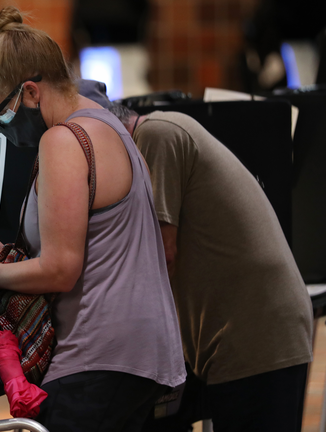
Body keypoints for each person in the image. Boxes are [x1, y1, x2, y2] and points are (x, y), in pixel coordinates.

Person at [0, 7, 187, 432]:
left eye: (0, 114)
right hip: (140, 356)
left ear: (31, 92)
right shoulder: (106, 121)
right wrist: (10, 255)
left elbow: (60, 269)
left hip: (99, 358)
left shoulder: (63, 140)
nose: (2, 127)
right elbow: (95, 245)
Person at [106, 102, 314, 432]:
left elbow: (161, 253)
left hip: (256, 334)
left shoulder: (156, 135)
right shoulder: (163, 130)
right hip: (235, 336)